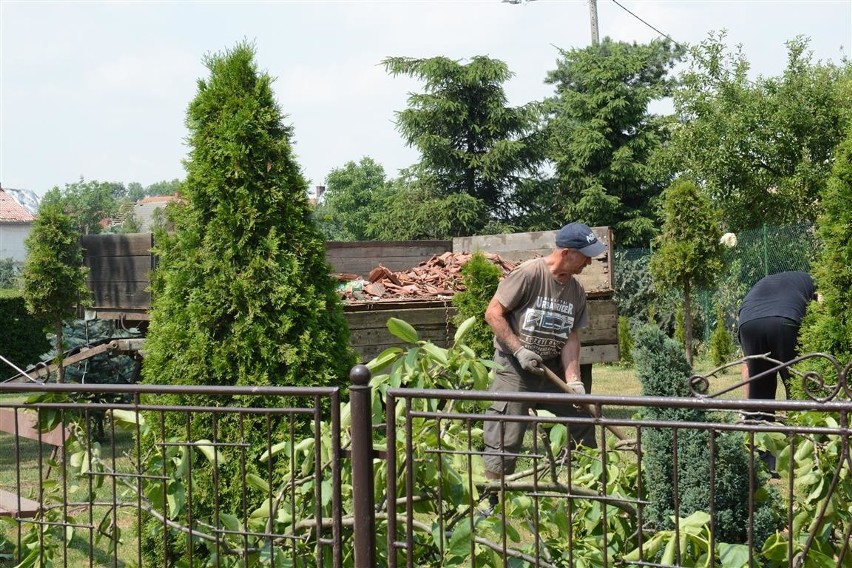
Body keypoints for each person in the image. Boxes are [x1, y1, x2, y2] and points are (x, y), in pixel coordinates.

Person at [482, 222, 605, 482]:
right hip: (514, 369)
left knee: (581, 418)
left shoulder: (576, 290)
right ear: (566, 253)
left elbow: (571, 336)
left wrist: (574, 380)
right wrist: (519, 351)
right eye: (585, 256)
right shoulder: (529, 274)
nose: (589, 263)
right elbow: (493, 313)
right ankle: (491, 500)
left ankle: (585, 489)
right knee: (505, 431)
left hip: (551, 369)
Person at [738, 271, 816, 420]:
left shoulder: (766, 281)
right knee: (796, 379)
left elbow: (747, 365)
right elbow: (822, 311)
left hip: (748, 322)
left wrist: (745, 406)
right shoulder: (812, 281)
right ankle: (799, 428)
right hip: (785, 319)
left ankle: (758, 429)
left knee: (759, 384)